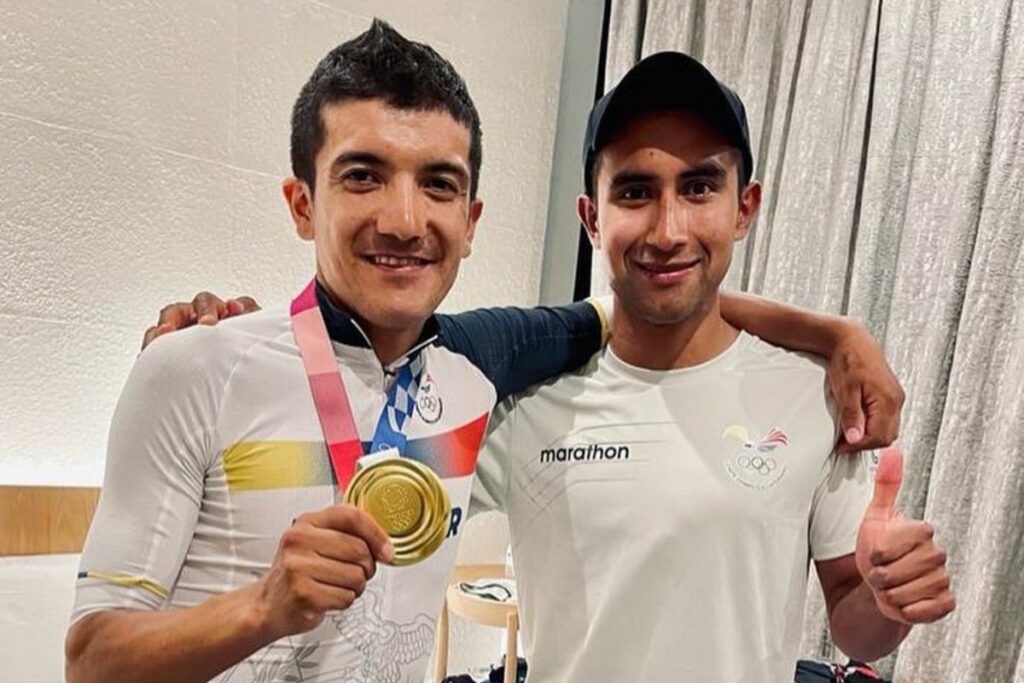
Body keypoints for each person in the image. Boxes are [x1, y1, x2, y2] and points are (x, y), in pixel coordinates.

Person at [113, 25, 904, 683]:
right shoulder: (214, 367)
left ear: (471, 216)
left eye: (437, 184)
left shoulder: (478, 373)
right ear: (302, 202)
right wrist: (262, 604)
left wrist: (834, 334)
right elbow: (91, 661)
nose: (402, 217)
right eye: (362, 175)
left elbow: (656, 296)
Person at [468, 52, 954, 682]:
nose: (668, 230)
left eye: (698, 188)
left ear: (743, 208)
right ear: (592, 217)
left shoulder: (813, 392)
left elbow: (853, 623)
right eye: (636, 191)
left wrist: (889, 600)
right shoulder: (526, 401)